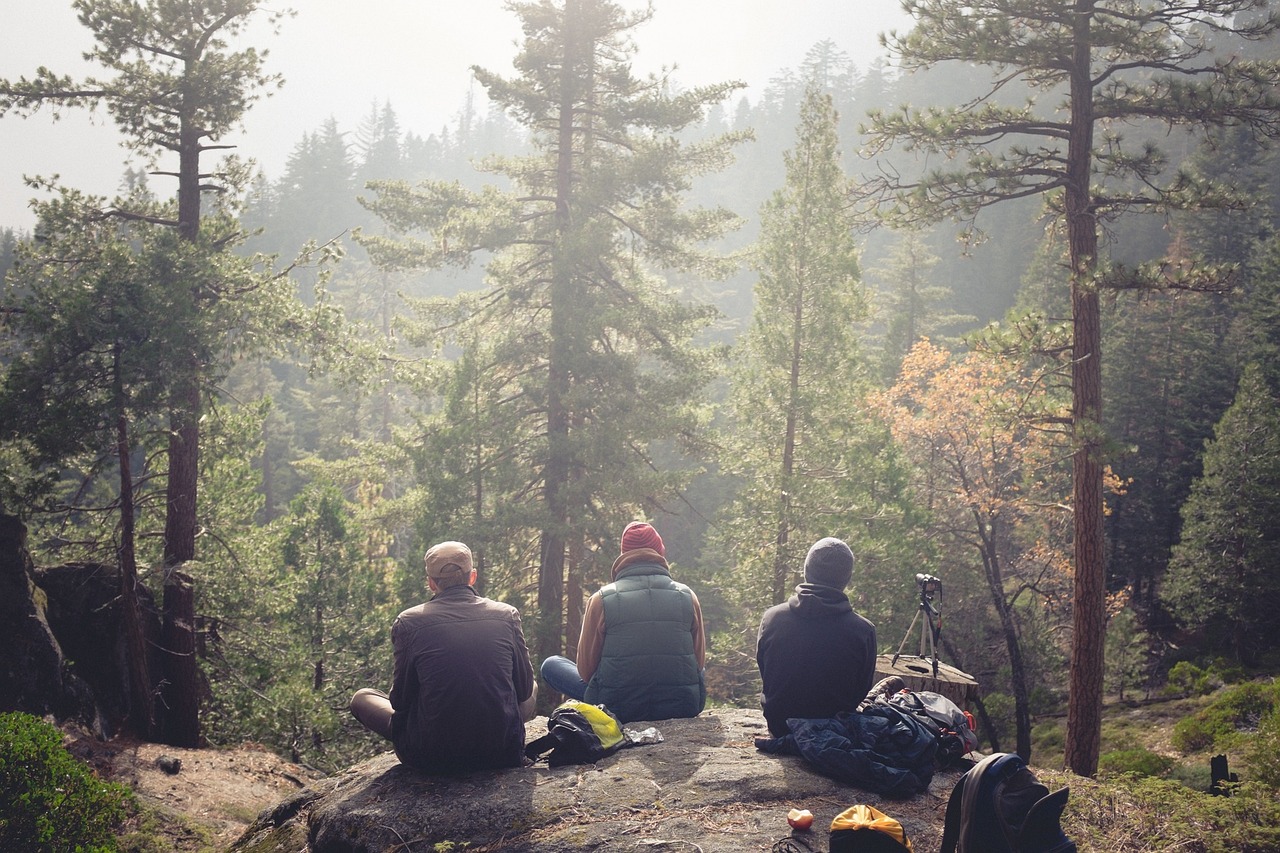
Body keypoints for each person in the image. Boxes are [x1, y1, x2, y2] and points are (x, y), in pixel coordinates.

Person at [349, 540, 537, 772]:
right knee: (533, 686)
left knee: (362, 697)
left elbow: (400, 702)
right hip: (501, 752)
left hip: (430, 755)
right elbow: (525, 690)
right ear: (472, 577)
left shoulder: (409, 622)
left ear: (431, 583)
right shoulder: (507, 615)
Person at [540, 521, 706, 723]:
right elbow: (698, 662)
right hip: (682, 706)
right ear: (660, 552)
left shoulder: (601, 599)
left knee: (551, 665)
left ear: (624, 555)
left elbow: (585, 672)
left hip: (616, 709)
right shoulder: (687, 596)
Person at [756, 536, 878, 737]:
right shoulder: (863, 631)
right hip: (833, 731)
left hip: (781, 727)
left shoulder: (772, 618)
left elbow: (766, 672)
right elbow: (860, 691)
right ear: (846, 579)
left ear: (806, 571)